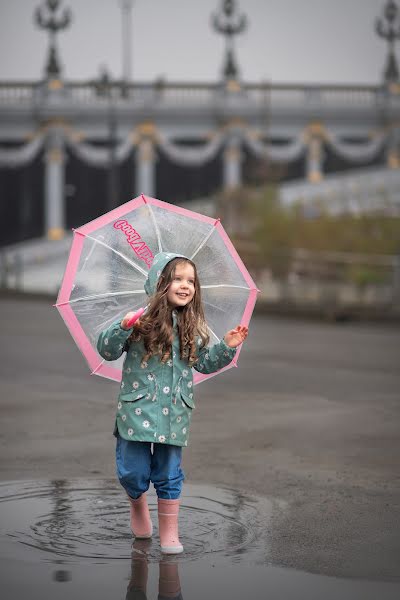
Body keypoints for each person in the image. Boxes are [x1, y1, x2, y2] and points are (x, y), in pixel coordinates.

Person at [97, 252, 248, 554]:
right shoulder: (139, 321)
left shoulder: (194, 326)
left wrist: (226, 348)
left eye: (191, 280)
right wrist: (123, 326)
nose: (185, 285)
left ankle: (170, 531)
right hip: (136, 410)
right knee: (132, 471)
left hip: (174, 413)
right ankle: (138, 506)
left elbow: (203, 363)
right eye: (177, 278)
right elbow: (107, 350)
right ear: (160, 283)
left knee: (169, 473)